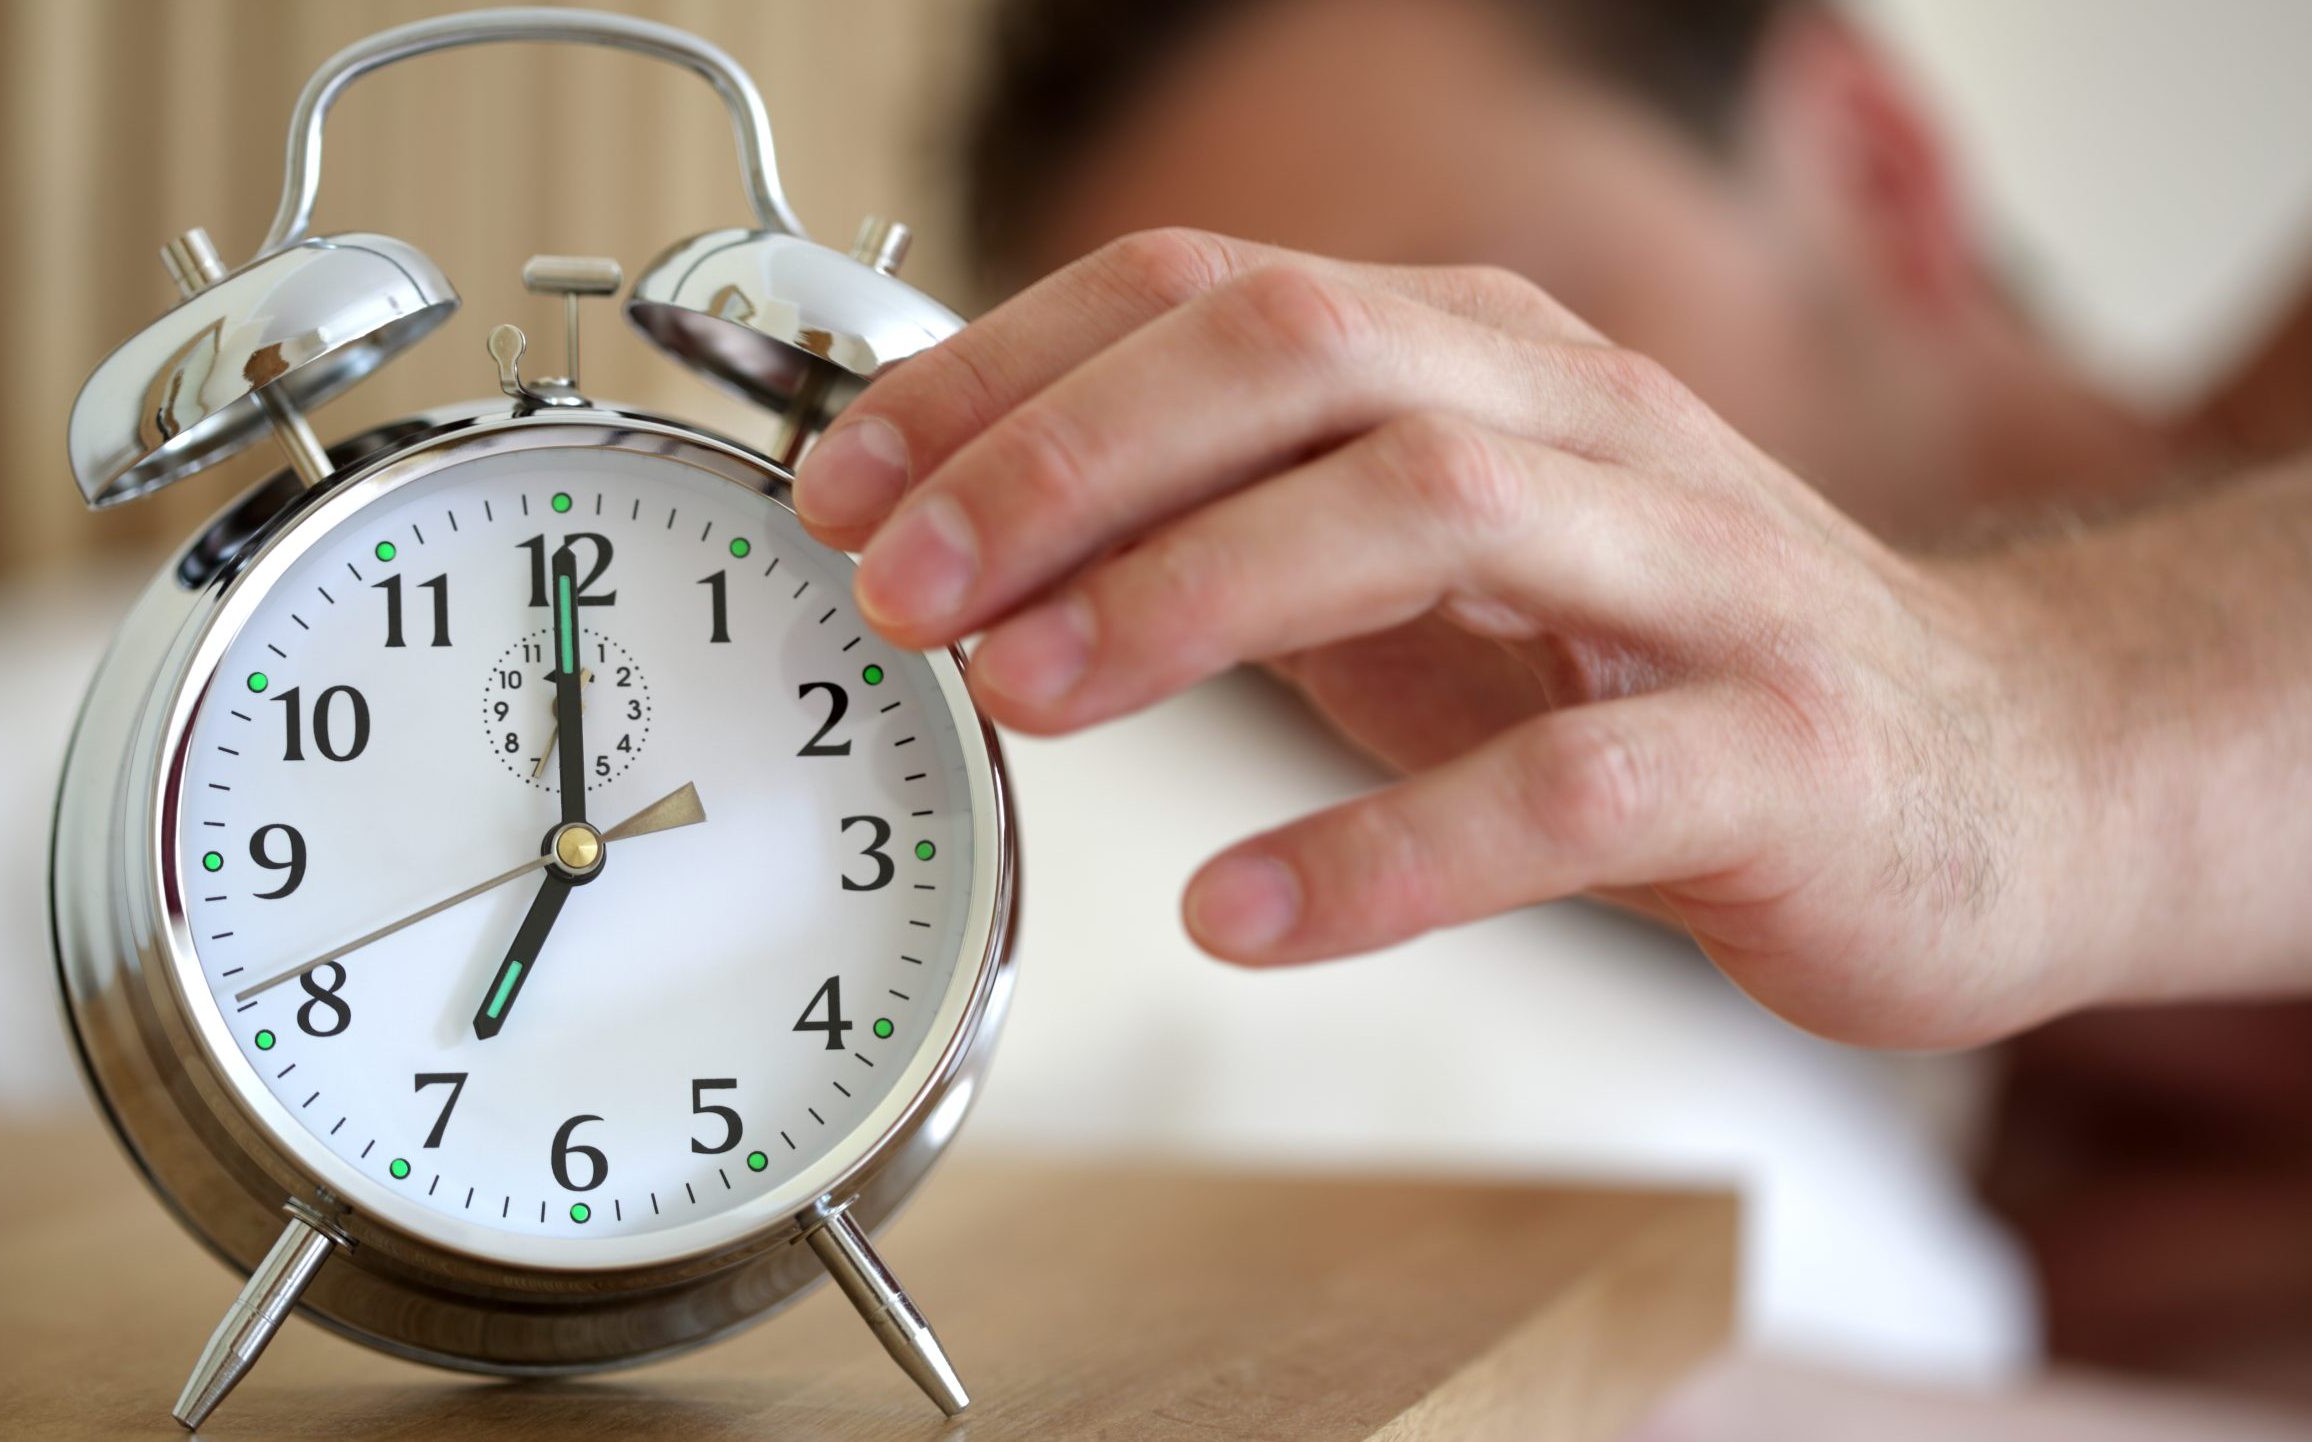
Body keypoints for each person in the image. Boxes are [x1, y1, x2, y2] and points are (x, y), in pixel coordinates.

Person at [788, 0, 2312, 1425]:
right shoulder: (2014, 1270)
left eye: (1494, 361)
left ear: (1868, 162)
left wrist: (2003, 727)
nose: (1397, 558)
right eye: (1244, 512)